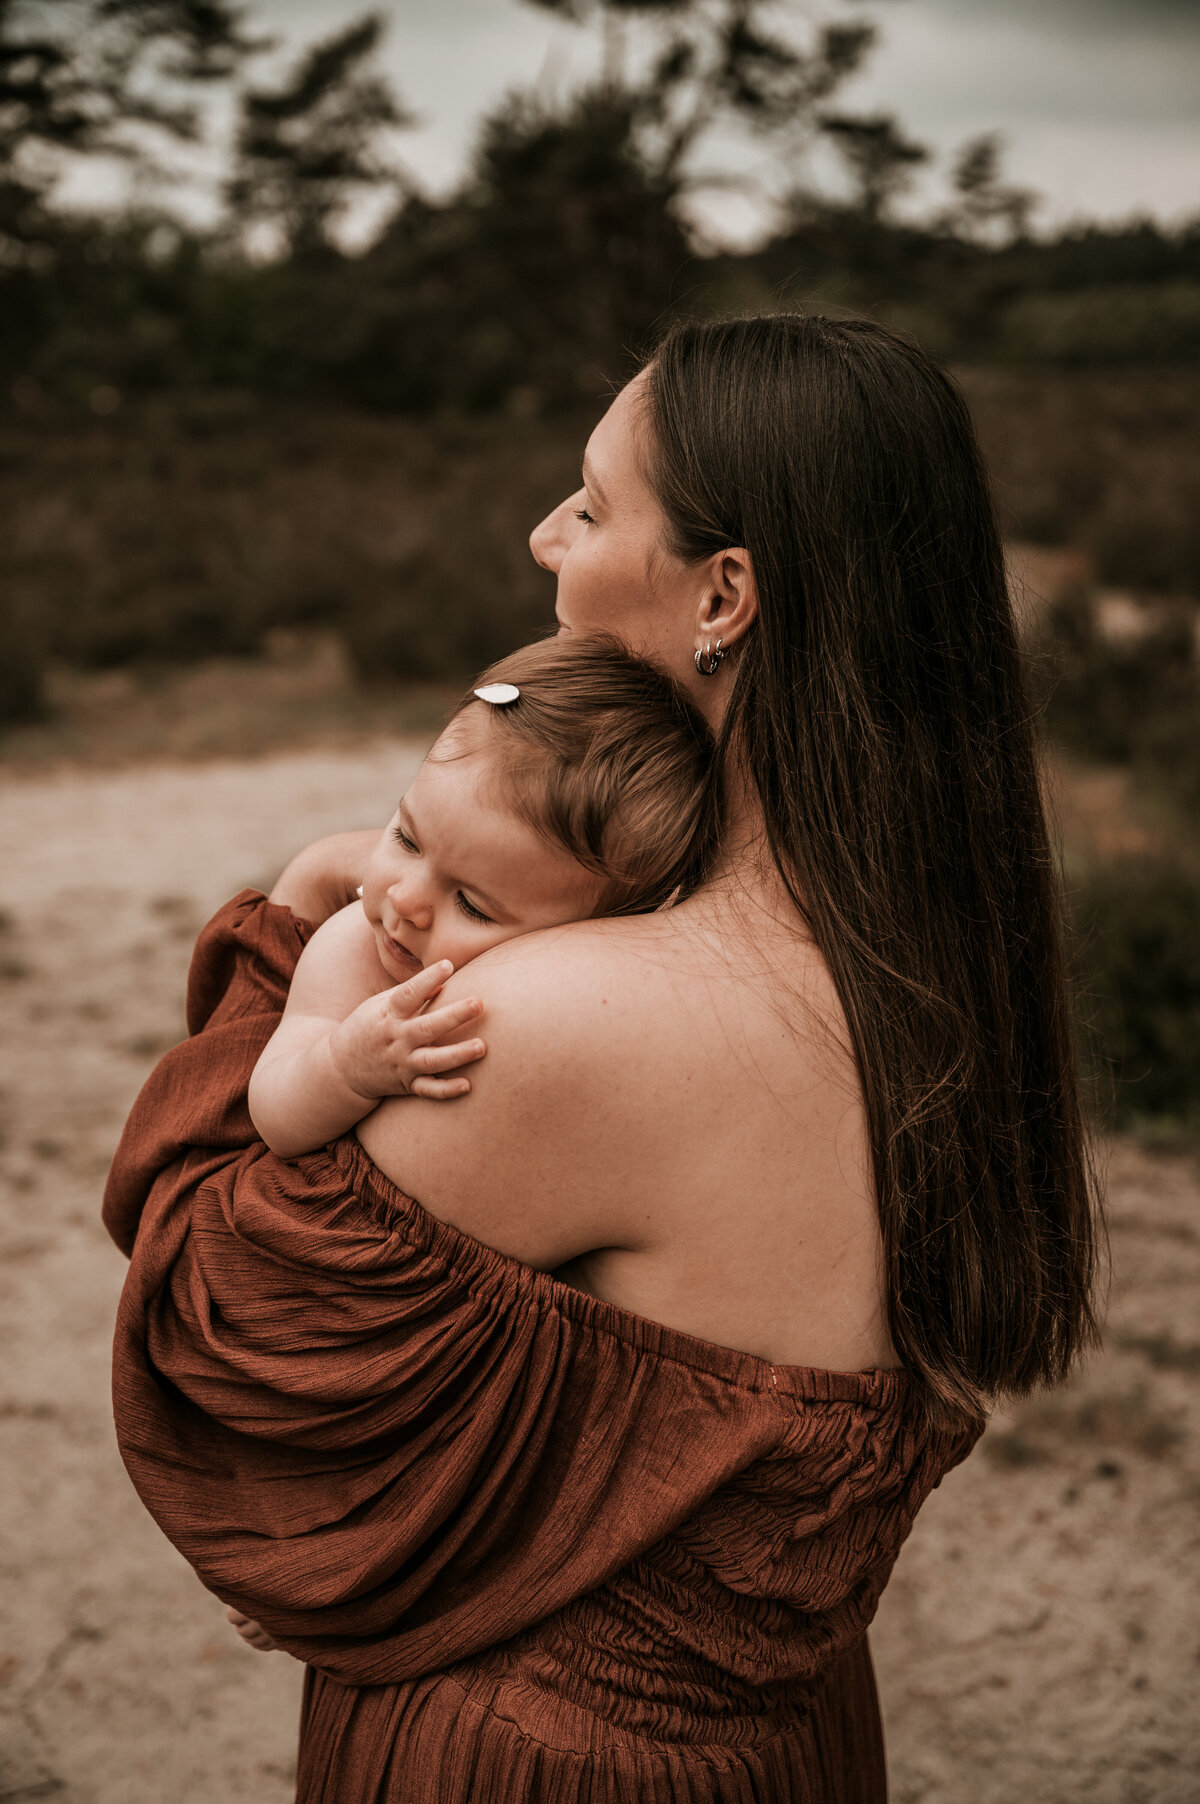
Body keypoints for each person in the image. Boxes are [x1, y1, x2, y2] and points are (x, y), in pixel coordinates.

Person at [104, 312, 1101, 1803]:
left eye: (591, 502)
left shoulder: (563, 1013)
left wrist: (294, 950)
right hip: (793, 1743)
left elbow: (218, 1325)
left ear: (725, 593)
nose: (543, 536)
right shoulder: (914, 968)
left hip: (532, 1761)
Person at [247, 635, 718, 1158]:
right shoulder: (351, 950)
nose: (405, 901)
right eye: (406, 838)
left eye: (471, 904)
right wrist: (345, 1067)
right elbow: (271, 1115)